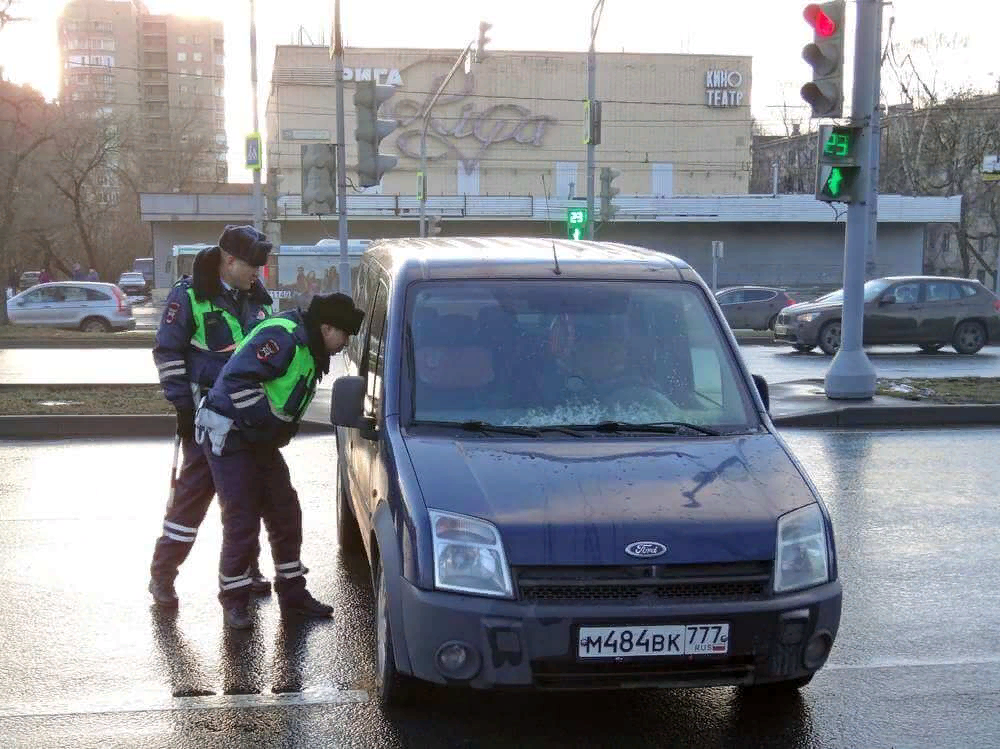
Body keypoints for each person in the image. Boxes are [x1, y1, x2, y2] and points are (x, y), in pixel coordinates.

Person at [195, 292, 365, 629]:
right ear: (326, 326)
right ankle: (234, 602)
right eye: (344, 335)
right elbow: (239, 381)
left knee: (285, 512)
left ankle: (292, 594)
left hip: (256, 438)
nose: (345, 344)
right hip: (232, 434)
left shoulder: (310, 345)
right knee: (242, 519)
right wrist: (266, 427)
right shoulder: (284, 337)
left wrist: (270, 433)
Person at [148, 225, 275, 608]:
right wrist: (183, 409)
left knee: (246, 498)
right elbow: (168, 353)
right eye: (252, 264)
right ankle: (162, 576)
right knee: (191, 502)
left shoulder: (258, 298)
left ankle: (246, 571)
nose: (259, 271)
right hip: (207, 420)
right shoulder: (189, 297)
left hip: (249, 419)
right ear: (229, 260)